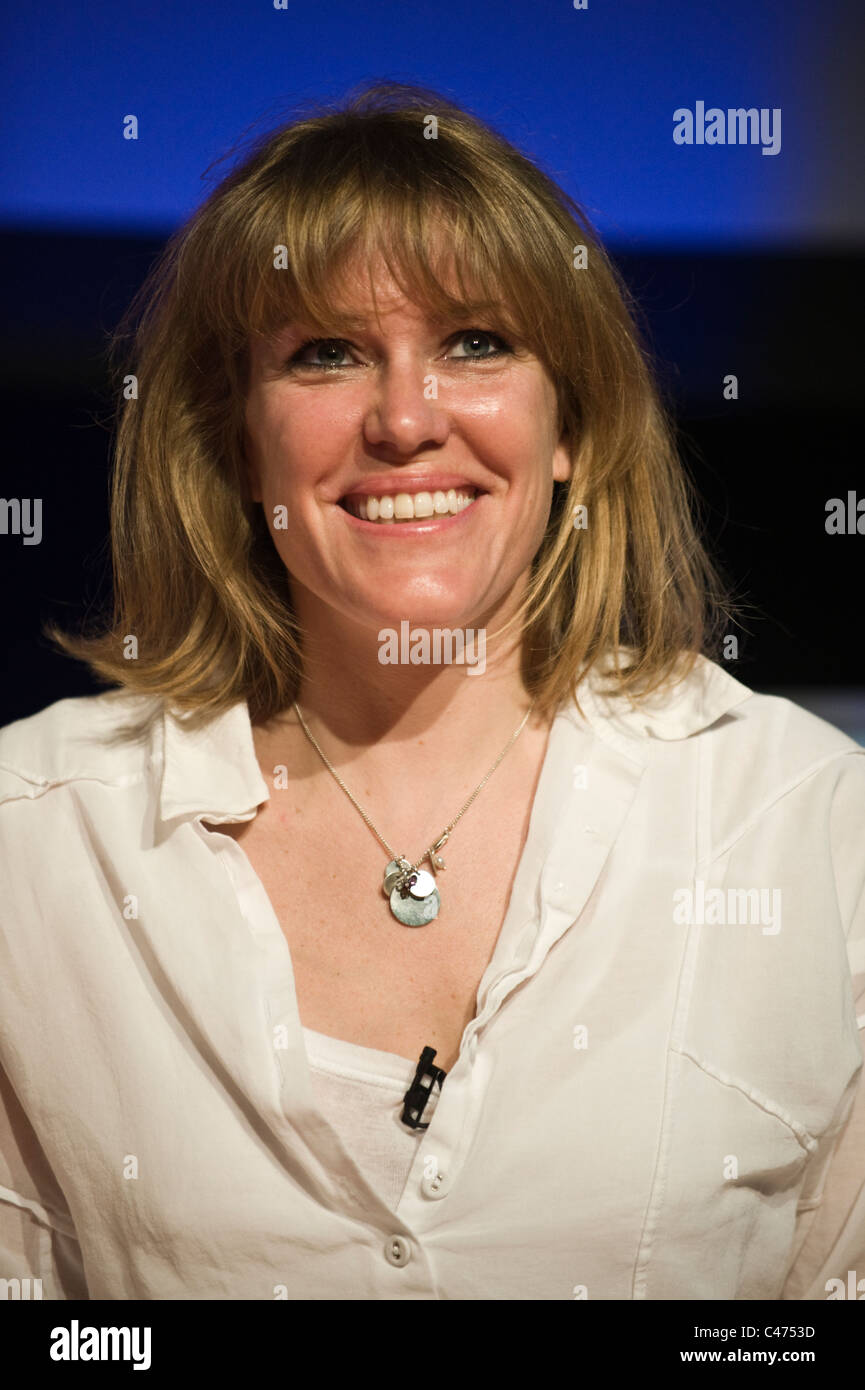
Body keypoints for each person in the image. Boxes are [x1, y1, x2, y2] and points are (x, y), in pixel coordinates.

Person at [0, 81, 862, 1302]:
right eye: (326, 354)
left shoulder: (806, 821)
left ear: (569, 423)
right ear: (239, 442)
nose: (405, 419)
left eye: (475, 342)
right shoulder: (36, 833)